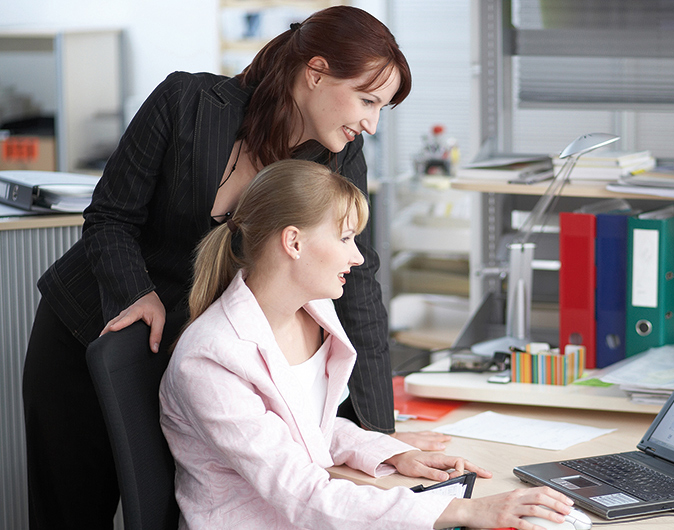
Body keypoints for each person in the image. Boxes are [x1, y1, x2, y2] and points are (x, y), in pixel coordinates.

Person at [21, 6, 445, 529]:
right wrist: (135, 292)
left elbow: (357, 283)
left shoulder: (336, 159)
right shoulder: (187, 102)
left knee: (162, 506)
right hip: (91, 326)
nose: (371, 123)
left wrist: (382, 430)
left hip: (189, 356)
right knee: (69, 510)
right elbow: (110, 215)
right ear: (315, 72)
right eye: (367, 100)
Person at [159, 159, 575, 529]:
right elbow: (302, 496)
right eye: (345, 239)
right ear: (294, 242)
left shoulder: (311, 312)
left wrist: (392, 453)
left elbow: (305, 426)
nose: (357, 257)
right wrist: (465, 512)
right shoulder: (211, 357)